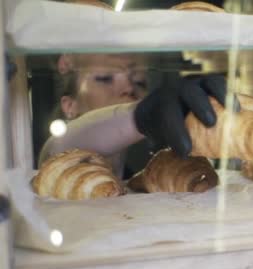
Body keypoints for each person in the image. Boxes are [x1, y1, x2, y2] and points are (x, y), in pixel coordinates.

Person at [40, 52, 236, 178]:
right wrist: (139, 115)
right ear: (70, 106)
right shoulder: (56, 168)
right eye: (105, 78)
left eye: (140, 82)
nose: (128, 89)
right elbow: (57, 149)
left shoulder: (140, 186)